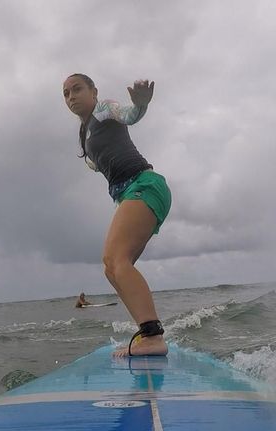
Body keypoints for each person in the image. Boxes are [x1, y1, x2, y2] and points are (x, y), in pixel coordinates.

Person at [62, 73, 171, 357]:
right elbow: (97, 161)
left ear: (93, 91)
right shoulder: (85, 135)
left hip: (144, 184)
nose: (71, 96)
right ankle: (146, 333)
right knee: (113, 270)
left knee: (115, 259)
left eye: (77, 89)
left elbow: (129, 115)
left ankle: (153, 336)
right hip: (128, 194)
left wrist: (141, 105)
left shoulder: (104, 108)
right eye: (66, 93)